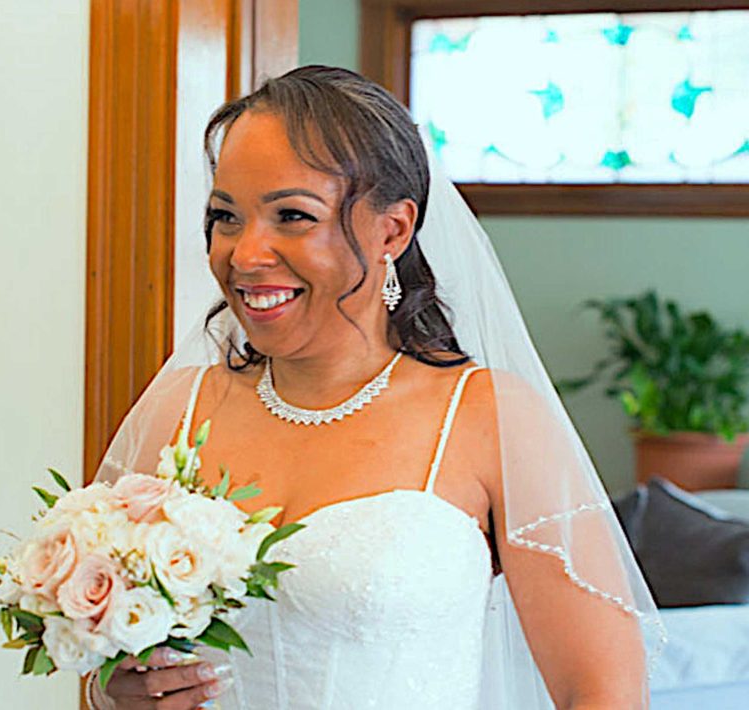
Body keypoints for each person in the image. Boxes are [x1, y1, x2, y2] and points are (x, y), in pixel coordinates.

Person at [87, 65, 663, 709]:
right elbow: (118, 671)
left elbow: (603, 693)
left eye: (292, 216)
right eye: (226, 217)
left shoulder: (487, 417)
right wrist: (115, 695)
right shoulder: (178, 409)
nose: (245, 254)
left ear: (391, 230)